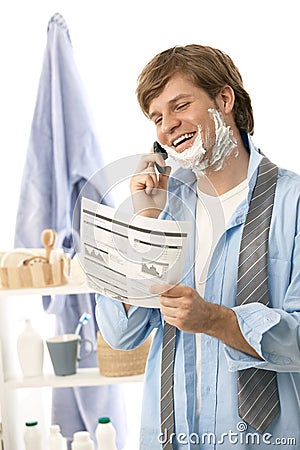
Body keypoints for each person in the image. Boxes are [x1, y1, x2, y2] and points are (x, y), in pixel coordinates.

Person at [95, 44, 300, 449]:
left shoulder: (293, 204)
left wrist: (217, 320)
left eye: (180, 106)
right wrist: (146, 223)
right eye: (156, 118)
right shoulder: (165, 213)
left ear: (224, 99)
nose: (168, 125)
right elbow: (121, 333)